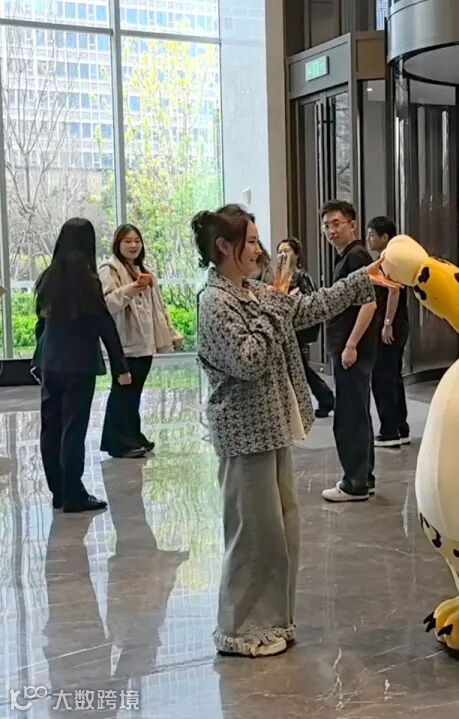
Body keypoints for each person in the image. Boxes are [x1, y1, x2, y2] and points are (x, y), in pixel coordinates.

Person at [194, 203, 385, 657]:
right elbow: (248, 359)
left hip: (272, 429)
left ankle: (272, 621)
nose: (259, 250)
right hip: (244, 435)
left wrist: (367, 277)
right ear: (224, 246)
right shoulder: (214, 301)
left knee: (279, 535)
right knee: (253, 538)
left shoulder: (254, 292)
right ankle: (241, 629)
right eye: (251, 241)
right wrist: (277, 303)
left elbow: (312, 307)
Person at [33, 218, 131, 513]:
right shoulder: (87, 281)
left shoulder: (48, 277)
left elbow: (41, 323)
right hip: (79, 365)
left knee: (51, 427)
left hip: (51, 363)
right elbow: (104, 324)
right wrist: (120, 365)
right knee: (73, 429)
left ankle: (59, 491)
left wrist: (41, 358)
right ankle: (74, 494)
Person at [98, 224, 183, 458]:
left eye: (137, 240)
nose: (133, 245)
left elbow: (158, 307)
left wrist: (169, 334)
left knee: (134, 393)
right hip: (124, 344)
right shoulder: (110, 270)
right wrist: (134, 287)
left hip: (144, 342)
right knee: (122, 393)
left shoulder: (144, 270)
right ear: (118, 243)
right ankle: (119, 442)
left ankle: (132, 435)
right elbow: (108, 303)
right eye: (127, 241)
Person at [320, 200, 379, 502]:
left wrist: (351, 344)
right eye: (326, 225)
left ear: (352, 225)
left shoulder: (356, 257)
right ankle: (363, 477)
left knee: (350, 416)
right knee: (357, 412)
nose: (330, 230)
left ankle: (354, 483)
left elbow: (369, 304)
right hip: (348, 347)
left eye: (336, 223)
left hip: (352, 349)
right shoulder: (347, 256)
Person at [276, 237, 334, 417]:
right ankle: (323, 399)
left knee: (300, 367)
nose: (282, 255)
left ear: (296, 254)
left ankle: (324, 399)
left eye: (286, 251)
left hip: (299, 329)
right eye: (280, 251)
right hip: (286, 328)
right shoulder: (278, 277)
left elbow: (310, 301)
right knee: (299, 367)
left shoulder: (301, 276)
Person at [365, 216, 410, 446]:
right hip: (397, 325)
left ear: (385, 237)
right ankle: (401, 427)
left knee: (383, 378)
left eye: (372, 235)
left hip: (391, 326)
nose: (368, 239)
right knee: (393, 377)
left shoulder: (388, 260)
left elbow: (394, 291)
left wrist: (387, 323)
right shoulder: (393, 258)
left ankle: (390, 431)